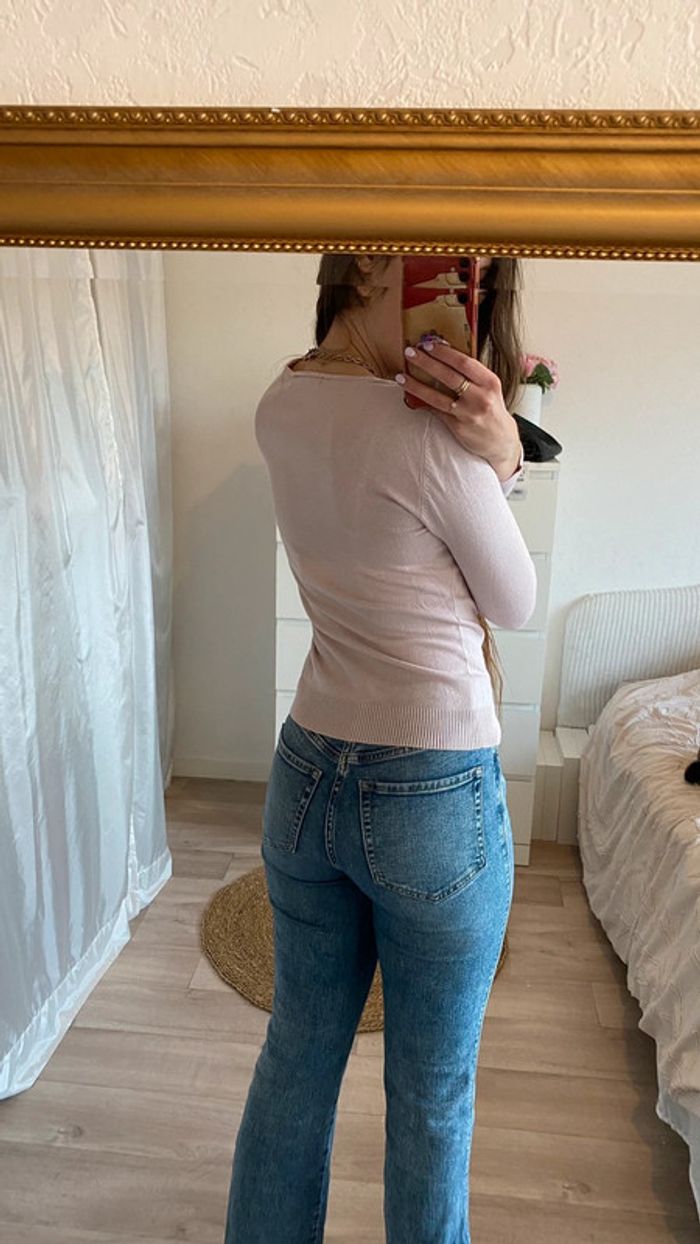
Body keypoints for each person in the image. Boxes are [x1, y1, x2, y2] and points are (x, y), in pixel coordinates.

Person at [223, 253, 537, 1244]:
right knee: (432, 1090)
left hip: (307, 772)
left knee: (296, 1058)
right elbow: (515, 601)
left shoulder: (278, 404)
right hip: (432, 789)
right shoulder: (427, 436)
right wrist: (504, 458)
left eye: (468, 280)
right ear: (363, 260)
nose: (454, 299)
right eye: (438, 269)